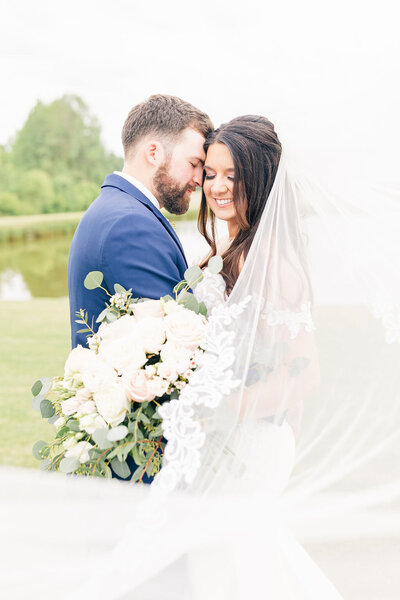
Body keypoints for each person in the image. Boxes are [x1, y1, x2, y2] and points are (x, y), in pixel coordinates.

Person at [68, 94, 213, 349]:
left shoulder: (115, 208)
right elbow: (169, 348)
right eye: (193, 164)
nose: (199, 179)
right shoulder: (131, 225)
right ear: (154, 153)